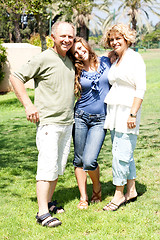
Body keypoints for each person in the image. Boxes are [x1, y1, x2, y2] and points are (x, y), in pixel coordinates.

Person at [10, 21, 75, 227]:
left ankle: (48, 202)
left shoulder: (69, 59)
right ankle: (42, 214)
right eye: (62, 36)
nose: (67, 40)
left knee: (56, 168)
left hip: (67, 123)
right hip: (49, 124)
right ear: (53, 37)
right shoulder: (45, 57)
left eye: (70, 37)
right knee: (46, 168)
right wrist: (28, 105)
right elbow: (16, 77)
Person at [102, 23, 146, 211]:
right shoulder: (116, 59)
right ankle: (132, 190)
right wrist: (111, 55)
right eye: (111, 39)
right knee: (123, 151)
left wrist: (132, 114)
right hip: (115, 111)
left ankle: (118, 194)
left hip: (128, 111)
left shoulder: (135, 58)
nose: (114, 42)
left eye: (118, 38)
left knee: (120, 154)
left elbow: (141, 88)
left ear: (126, 39)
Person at [69, 37, 111, 209]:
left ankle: (96, 187)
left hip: (100, 119)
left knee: (89, 160)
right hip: (80, 116)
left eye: (80, 48)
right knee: (79, 160)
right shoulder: (75, 69)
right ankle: (83, 197)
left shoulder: (106, 61)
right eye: (75, 52)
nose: (79, 52)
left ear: (86, 45)